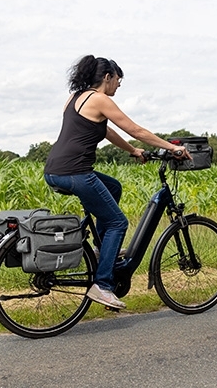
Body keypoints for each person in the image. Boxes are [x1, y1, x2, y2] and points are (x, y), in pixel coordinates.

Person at [44, 55, 191, 310]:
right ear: (107, 77)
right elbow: (136, 130)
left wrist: (132, 151)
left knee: (113, 188)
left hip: (54, 170)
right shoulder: (100, 99)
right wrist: (172, 148)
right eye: (118, 80)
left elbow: (106, 130)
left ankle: (103, 253)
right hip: (77, 172)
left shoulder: (75, 98)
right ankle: (103, 285)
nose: (119, 86)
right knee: (118, 222)